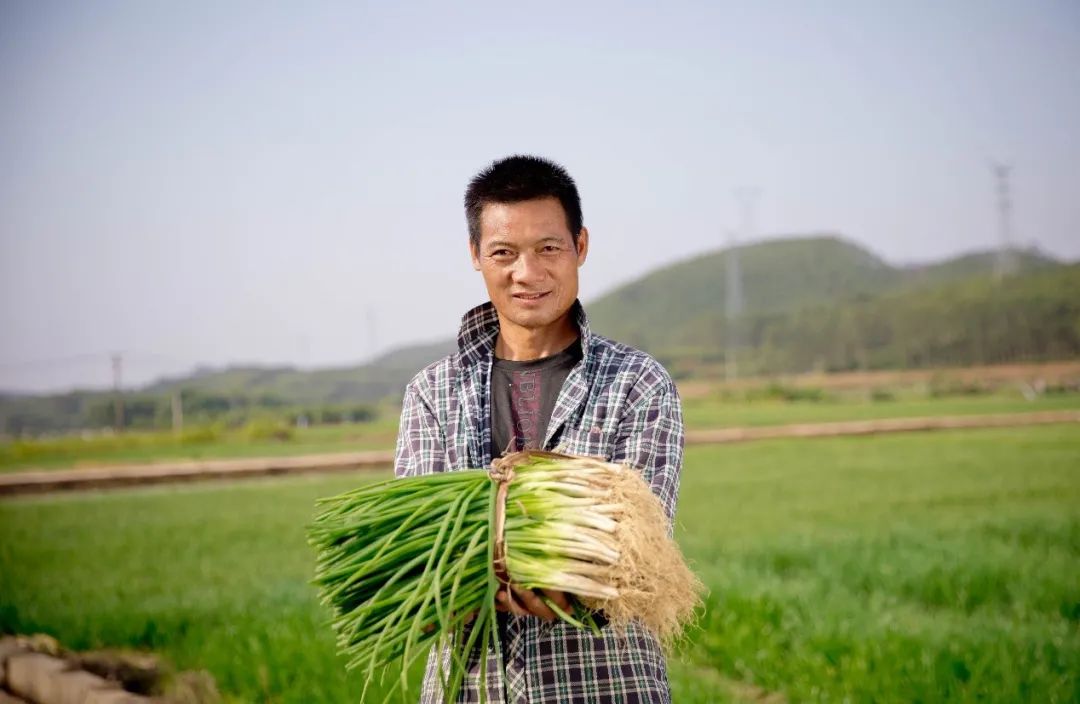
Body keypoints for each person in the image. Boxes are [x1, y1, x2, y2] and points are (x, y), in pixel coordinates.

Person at [394, 154, 684, 703]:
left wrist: (490, 559)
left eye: (548, 248)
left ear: (581, 246)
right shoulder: (431, 393)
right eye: (504, 252)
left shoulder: (638, 383)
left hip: (607, 689)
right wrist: (525, 558)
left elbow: (634, 553)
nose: (527, 273)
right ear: (476, 255)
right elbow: (423, 567)